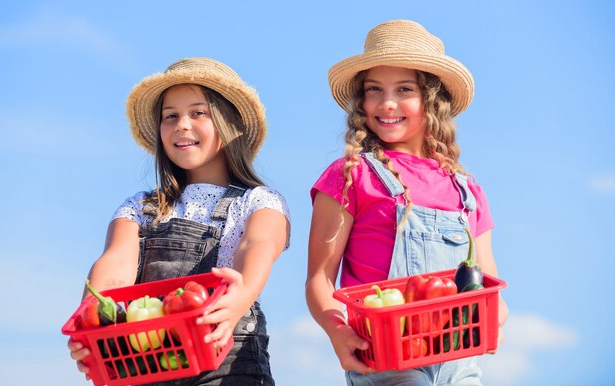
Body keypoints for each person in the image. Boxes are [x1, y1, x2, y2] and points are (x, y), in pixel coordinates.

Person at [306, 20, 508, 385]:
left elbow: (487, 285)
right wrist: (337, 331)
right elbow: (319, 278)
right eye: (373, 90)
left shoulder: (466, 190)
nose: (386, 103)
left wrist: (497, 316)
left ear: (432, 101)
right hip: (386, 360)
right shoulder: (349, 175)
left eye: (404, 90)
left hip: (458, 361)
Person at [67, 57, 290, 385]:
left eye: (198, 113)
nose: (182, 124)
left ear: (229, 123)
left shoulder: (257, 201)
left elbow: (258, 244)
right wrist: (95, 323)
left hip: (229, 367)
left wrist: (241, 292)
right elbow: (114, 264)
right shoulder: (140, 209)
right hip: (147, 363)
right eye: (170, 116)